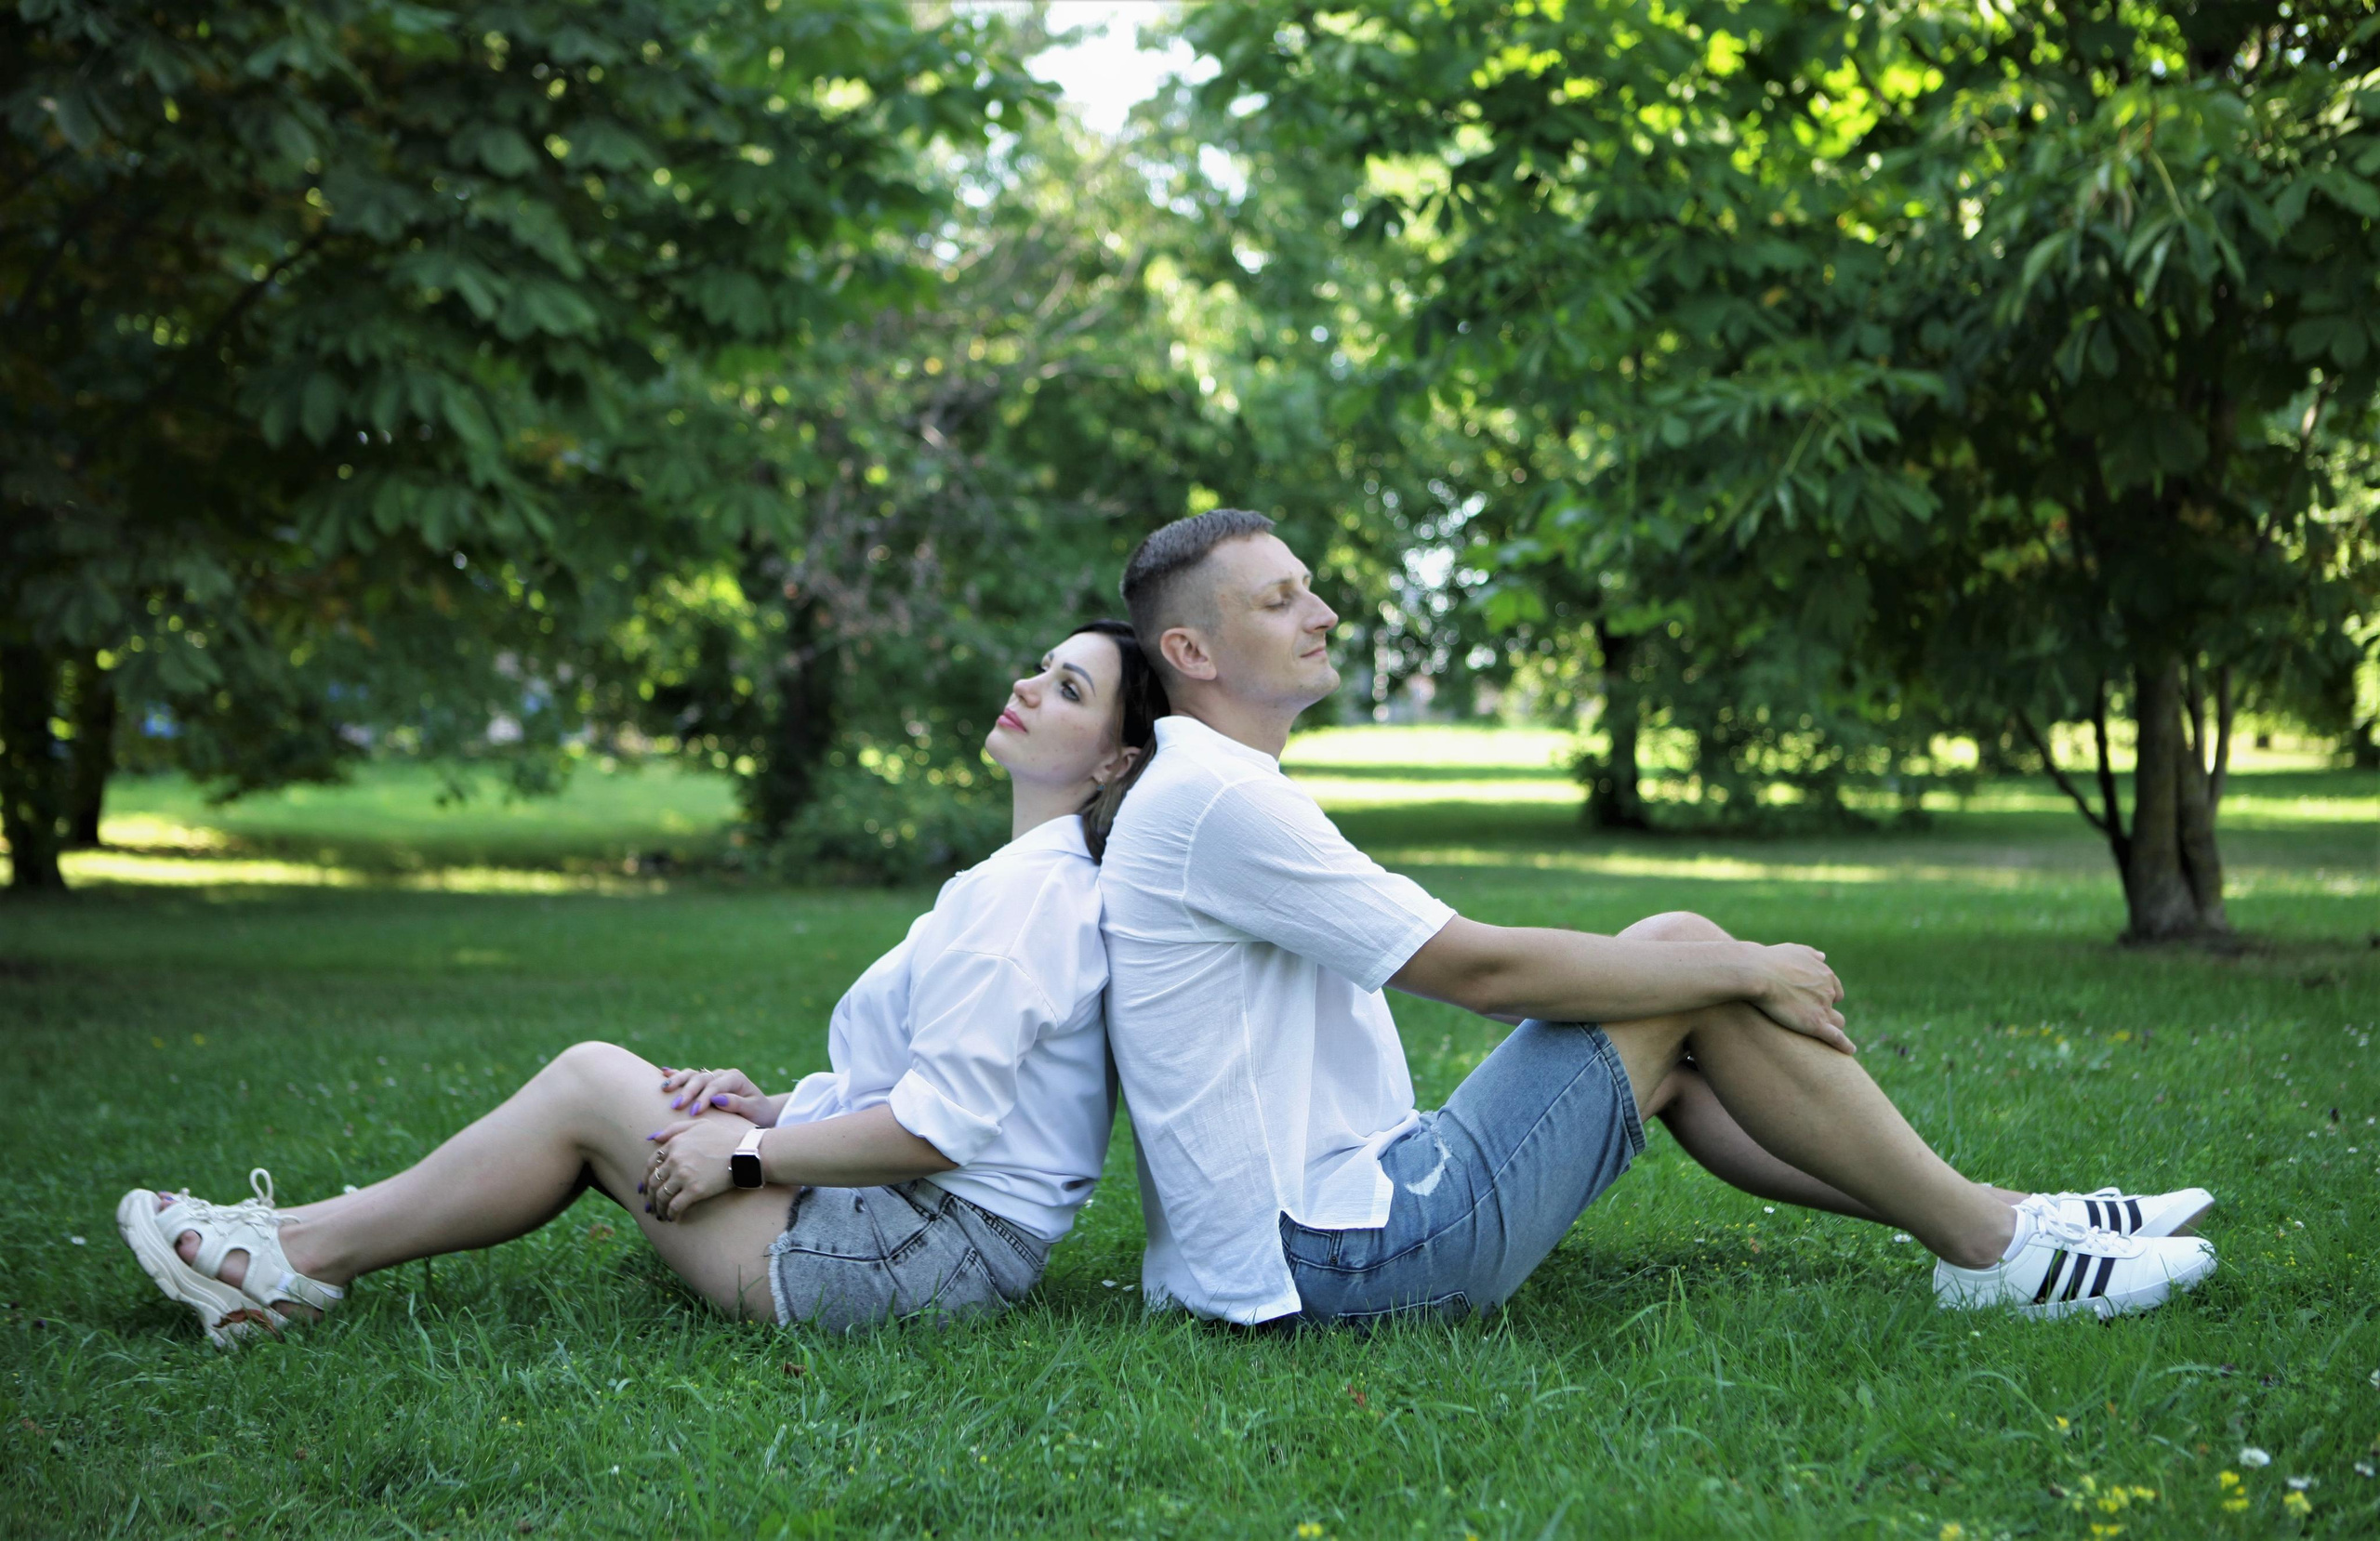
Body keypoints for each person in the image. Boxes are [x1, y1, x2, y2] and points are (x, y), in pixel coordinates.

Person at [1097, 510, 2217, 1329]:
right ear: (1190, 652)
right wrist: (1741, 967)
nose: (1322, 610)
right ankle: (1995, 1249)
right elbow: (1476, 970)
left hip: (1317, 1234)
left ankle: (2002, 1218)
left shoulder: (1214, 787)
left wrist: (1717, 974)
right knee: (1681, 953)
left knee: (1672, 1027)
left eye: (1309, 585)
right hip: (1331, 1263)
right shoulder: (1219, 799)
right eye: (1278, 598)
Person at [117, 620, 1169, 1346]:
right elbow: (944, 1089)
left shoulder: (1031, 900)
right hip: (931, 1234)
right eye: (1041, 667)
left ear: (1115, 759)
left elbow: (943, 1129)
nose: (1029, 685)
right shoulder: (1027, 883)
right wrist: (774, 1106)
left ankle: (292, 1261)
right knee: (621, 1093)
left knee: (589, 1083)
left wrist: (747, 1155)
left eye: (1069, 688)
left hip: (921, 1256)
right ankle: (291, 1238)